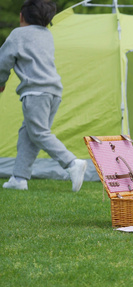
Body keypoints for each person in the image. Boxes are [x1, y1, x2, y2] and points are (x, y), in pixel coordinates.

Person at [0, 0, 87, 192]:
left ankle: (72, 163)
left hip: (36, 91)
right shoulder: (47, 35)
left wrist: (1, 82)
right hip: (53, 91)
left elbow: (3, 61)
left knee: (39, 133)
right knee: (29, 133)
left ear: (22, 16)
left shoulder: (18, 34)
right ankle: (19, 178)